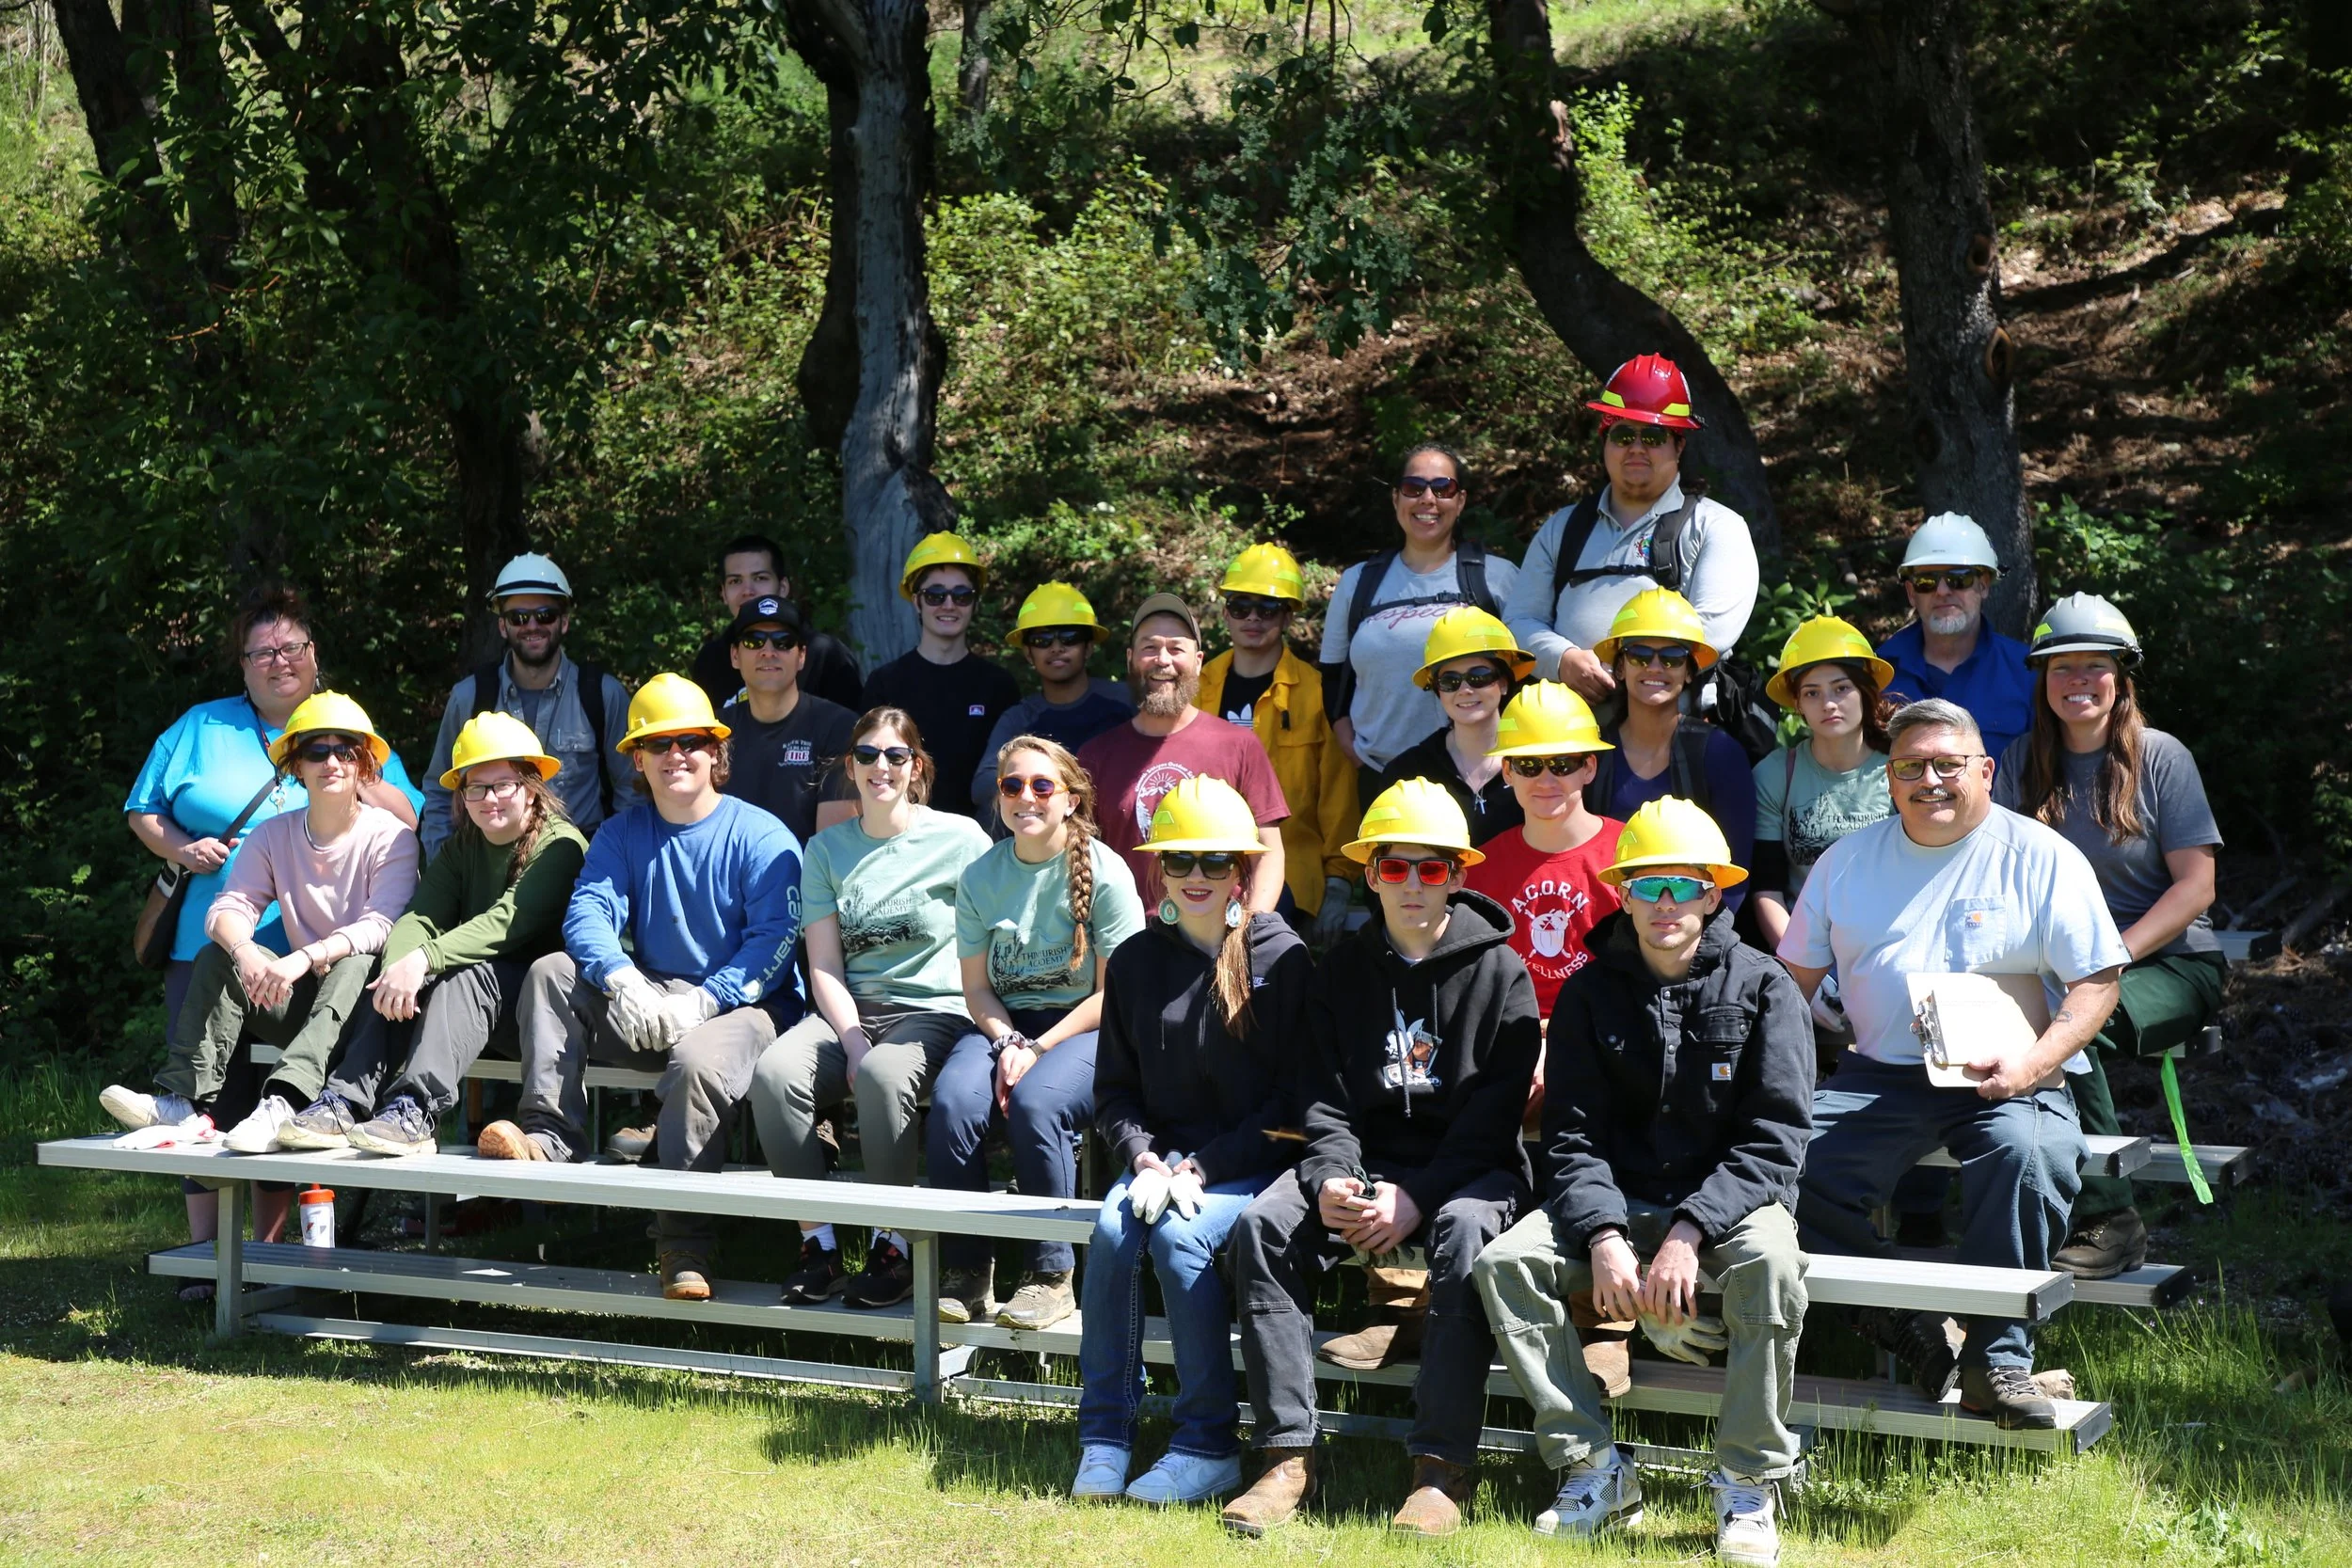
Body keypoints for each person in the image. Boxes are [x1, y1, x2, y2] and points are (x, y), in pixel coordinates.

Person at [1474, 798, 1811, 1565]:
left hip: (1733, 1200)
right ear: (1622, 894)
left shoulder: (1765, 986)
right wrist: (1603, 1234)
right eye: (1647, 886)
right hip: (1617, 1199)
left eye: (1682, 886)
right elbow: (1571, 1135)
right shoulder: (1592, 992)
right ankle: (1593, 1466)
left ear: (1712, 894)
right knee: (1505, 1262)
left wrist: (1690, 1231)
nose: (1665, 904)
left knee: (1774, 1263)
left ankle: (1749, 1479)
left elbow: (1777, 1138)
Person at [1778, 698, 2129, 1429]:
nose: (1930, 779)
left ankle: (1999, 1358)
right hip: (1878, 1075)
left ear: (1986, 770)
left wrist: (2034, 1063)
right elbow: (1786, 989)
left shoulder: (2041, 855)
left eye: (1948, 764)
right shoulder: (1846, 863)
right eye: (1911, 766)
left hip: (2011, 1074)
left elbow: (2098, 982)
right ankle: (1909, 1322)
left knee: (2031, 1153)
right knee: (1774, 1163)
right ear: (1889, 778)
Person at [1222, 780, 1540, 1540]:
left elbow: (1493, 1122)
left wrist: (1418, 1196)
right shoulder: (1339, 970)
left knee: (1465, 1235)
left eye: (1431, 870)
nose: (1412, 885)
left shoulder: (1505, 975)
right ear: (1369, 875)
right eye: (1394, 868)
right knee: (1264, 1226)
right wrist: (1331, 1171)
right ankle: (1285, 1456)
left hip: (1470, 1170)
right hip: (1362, 1161)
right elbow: (1321, 1097)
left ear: (1460, 875)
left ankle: (1439, 1469)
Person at [120, 586, 422, 1274]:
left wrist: (350, 758)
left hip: (327, 964)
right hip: (228, 946)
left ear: (314, 655)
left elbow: (407, 828)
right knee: (216, 1090)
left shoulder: (351, 739)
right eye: (262, 651)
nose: (277, 660)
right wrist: (184, 855)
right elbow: (143, 809)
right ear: (242, 664)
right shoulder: (203, 727)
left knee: (276, 1085)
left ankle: (271, 1254)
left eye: (290, 647)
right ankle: (205, 1261)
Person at [479, 674, 804, 1305]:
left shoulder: (764, 837)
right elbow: (586, 915)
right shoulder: (623, 834)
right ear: (637, 759)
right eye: (659, 744)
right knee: (551, 973)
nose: (676, 755)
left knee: (696, 1059)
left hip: (751, 1006)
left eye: (690, 741)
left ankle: (684, 1243)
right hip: (652, 997)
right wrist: (621, 978)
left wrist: (706, 1000)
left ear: (716, 752)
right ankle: (548, 1142)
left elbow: (775, 942)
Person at [1073, 779, 1313, 1507]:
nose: (1199, 877)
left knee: (1181, 1238)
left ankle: (1207, 1442)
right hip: (1164, 1159)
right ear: (1160, 871)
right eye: (1182, 862)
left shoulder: (1282, 954)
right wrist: (1142, 1152)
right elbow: (1113, 1090)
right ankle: (1105, 1433)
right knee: (1114, 1225)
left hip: (1256, 1162)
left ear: (1242, 868)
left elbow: (1295, 1107)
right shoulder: (1140, 959)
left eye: (1215, 861)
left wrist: (1209, 1164)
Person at [1994, 594, 2224, 1280]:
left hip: (2173, 966)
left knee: (2073, 1026)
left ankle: (2112, 1218)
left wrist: (2107, 957)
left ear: (2121, 677)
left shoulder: (2161, 759)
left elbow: (2196, 887)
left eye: (2094, 667)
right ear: (2043, 679)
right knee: (2007, 1023)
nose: (2077, 682)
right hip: (2059, 972)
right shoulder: (2018, 763)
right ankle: (2019, 1203)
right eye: (2061, 668)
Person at [103, 693, 421, 1167]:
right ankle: (182, 1103)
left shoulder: (392, 836)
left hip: (373, 1020)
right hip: (309, 1009)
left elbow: (380, 926)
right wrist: (245, 950)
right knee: (219, 955)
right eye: (316, 751)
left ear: (365, 767)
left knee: (356, 960)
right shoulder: (274, 835)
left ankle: (285, 1104)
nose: (331, 762)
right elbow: (226, 907)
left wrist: (304, 956)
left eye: (346, 751)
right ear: (296, 765)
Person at [749, 707, 993, 1308]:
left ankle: (895, 1245)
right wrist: (854, 1036)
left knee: (886, 1075)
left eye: (895, 755)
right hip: (851, 1010)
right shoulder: (827, 849)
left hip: (936, 1010)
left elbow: (997, 930)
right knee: (775, 1074)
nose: (880, 766)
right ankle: (819, 1244)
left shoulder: (961, 839)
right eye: (866, 755)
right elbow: (825, 965)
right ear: (849, 768)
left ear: (916, 767)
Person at [279, 713, 589, 1156]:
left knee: (460, 973)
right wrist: (399, 970)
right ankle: (344, 1101)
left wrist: (422, 960)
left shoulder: (561, 846)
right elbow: (418, 917)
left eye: (503, 785)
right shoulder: (465, 845)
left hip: (549, 1014)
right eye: (476, 788)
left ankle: (414, 1111)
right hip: (481, 1010)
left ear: (531, 785)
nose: (490, 799)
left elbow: (505, 922)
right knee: (397, 970)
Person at [932, 736, 1146, 1330]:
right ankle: (967, 1270)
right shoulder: (980, 875)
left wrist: (1038, 1048)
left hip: (1088, 1026)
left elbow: (1114, 995)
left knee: (1035, 1102)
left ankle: (1052, 1276)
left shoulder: (1104, 871)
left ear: (1071, 799)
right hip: (1004, 1025)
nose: (1026, 797)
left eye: (1042, 785)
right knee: (952, 1103)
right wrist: (1005, 1042)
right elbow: (977, 989)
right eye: (1011, 785)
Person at [1503, 355, 1759, 705]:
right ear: (1605, 441)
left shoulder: (1718, 527)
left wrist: (1625, 670)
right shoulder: (1562, 529)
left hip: (1675, 738)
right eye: (1623, 434)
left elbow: (1712, 632)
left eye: (1653, 436)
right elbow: (1519, 620)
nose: (1637, 448)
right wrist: (1562, 660)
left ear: (1679, 445)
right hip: (1568, 743)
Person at [1318, 444, 1523, 782]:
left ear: (1460, 501)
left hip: (1478, 774)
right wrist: (1347, 740)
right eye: (1414, 487)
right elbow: (1333, 675)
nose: (1428, 499)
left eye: (1443, 488)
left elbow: (1525, 671)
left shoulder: (1496, 578)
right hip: (1378, 772)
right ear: (1396, 499)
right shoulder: (1359, 582)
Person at [1078, 594, 1289, 914]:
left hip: (1219, 939)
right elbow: (1078, 858)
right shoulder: (1096, 755)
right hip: (1125, 942)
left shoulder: (1239, 745)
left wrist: (1254, 925)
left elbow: (1268, 851)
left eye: (1176, 648)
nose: (1163, 660)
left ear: (1199, 661)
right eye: (1150, 648)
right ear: (1130, 658)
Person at [1195, 543, 1360, 946]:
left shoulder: (1315, 692)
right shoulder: (1197, 686)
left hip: (1292, 873)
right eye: (1240, 606)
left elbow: (1338, 794)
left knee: (1250, 950)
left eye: (1267, 608)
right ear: (1226, 612)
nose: (1253, 618)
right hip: (1200, 859)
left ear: (1288, 615)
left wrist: (1339, 880)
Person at [420, 553, 632, 856]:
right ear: (503, 626)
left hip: (582, 866)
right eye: (519, 617)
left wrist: (616, 863)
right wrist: (447, 876)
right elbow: (440, 795)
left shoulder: (602, 695)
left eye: (545, 615)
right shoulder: (470, 698)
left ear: (565, 621)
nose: (532, 625)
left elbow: (631, 789)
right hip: (489, 868)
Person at [1583, 590, 1756, 910]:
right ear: (1620, 668)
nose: (1655, 667)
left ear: (1689, 671)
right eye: (1639, 655)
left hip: (1694, 932)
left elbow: (1734, 879)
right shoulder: (1592, 751)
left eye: (1673, 657)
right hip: (1604, 928)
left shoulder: (1720, 753)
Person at [1464, 681, 1623, 1026]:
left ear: (1589, 768)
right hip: (1508, 1040)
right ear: (1507, 771)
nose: (1546, 780)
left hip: (1607, 1038)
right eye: (1529, 764)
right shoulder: (1481, 870)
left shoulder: (1631, 854)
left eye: (1563, 764)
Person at [1749, 616, 1895, 956]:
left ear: (1865, 691)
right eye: (1812, 693)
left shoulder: (1900, 768)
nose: (1828, 703)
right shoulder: (1774, 774)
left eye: (1842, 688)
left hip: (1889, 946)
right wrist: (1799, 969)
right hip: (1802, 946)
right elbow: (1767, 889)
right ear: (1797, 704)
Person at [863, 531, 1021, 823]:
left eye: (961, 596)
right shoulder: (884, 684)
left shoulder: (999, 687)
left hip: (983, 844)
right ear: (916, 601)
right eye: (936, 595)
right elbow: (869, 773)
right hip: (903, 837)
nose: (949, 605)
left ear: (974, 603)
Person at [1875, 513, 2036, 764]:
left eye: (1958, 579)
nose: (1942, 591)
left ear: (1984, 585)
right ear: (1911, 593)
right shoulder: (1879, 672)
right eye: (1926, 581)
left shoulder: (2028, 672)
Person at [1373, 607, 1535, 847]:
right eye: (1450, 681)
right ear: (1438, 690)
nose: (1465, 689)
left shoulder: (1539, 761)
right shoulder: (1406, 774)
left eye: (1479, 676)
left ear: (1503, 683)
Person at [967, 581, 1135, 812]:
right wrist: (1046, 786)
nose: (1056, 648)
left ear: (1088, 648)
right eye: (1042, 640)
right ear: (1028, 653)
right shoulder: (1020, 719)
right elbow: (982, 786)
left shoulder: (1126, 702)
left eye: (1069, 638)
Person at [716, 594, 859, 847]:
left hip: (809, 881)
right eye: (753, 641)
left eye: (783, 642)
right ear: (734, 656)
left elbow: (832, 849)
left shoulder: (839, 727)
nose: (768, 652)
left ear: (801, 656)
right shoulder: (715, 732)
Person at [691, 532, 866, 713]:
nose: (747, 591)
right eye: (735, 581)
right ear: (724, 593)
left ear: (783, 587)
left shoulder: (824, 654)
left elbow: (855, 731)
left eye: (760, 578)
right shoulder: (711, 660)